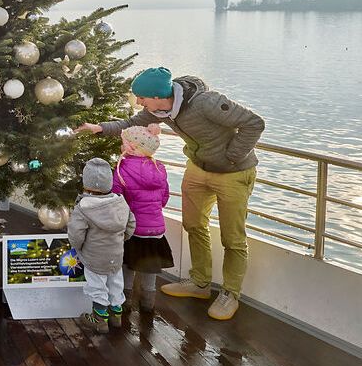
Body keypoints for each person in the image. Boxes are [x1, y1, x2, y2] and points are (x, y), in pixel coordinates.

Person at [75, 67, 265, 320]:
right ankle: (200, 283)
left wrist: (230, 157)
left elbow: (254, 123)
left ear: (156, 95)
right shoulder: (160, 110)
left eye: (141, 97)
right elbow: (131, 123)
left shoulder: (206, 103)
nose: (139, 102)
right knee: (194, 225)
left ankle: (230, 293)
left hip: (233, 172)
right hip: (198, 170)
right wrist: (99, 127)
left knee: (233, 238)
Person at [68, 158, 135, 333]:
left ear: (86, 184)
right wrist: (122, 239)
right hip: (116, 255)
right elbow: (131, 225)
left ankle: (99, 319)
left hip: (94, 257)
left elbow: (76, 233)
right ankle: (116, 316)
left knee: (97, 286)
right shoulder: (121, 202)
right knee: (115, 284)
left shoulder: (83, 208)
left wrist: (77, 247)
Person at [111, 124, 174, 312]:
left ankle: (125, 300)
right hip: (155, 230)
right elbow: (164, 198)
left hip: (133, 229)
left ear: (131, 146)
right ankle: (148, 302)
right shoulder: (159, 168)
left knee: (129, 263)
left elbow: (116, 196)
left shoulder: (122, 168)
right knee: (150, 267)